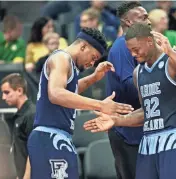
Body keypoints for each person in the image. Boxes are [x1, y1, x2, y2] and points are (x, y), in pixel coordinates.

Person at [84, 23, 176, 179]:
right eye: (130, 51)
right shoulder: (138, 73)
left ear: (150, 41)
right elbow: (146, 112)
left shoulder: (173, 61)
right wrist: (117, 120)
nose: (134, 54)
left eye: (136, 49)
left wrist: (172, 53)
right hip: (148, 144)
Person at [27, 27, 133, 179]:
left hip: (58, 137)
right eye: (93, 57)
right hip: (49, 137)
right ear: (83, 46)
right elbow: (56, 93)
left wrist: (94, 78)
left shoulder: (68, 64)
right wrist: (100, 105)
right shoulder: (61, 58)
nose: (91, 63)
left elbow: (69, 91)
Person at [105, 2, 150, 179]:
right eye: (143, 17)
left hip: (139, 126)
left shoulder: (141, 48)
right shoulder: (121, 47)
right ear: (129, 22)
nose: (149, 21)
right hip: (126, 131)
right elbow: (130, 85)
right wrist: (158, 84)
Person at [1, 73, 35, 179]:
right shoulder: (21, 115)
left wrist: (26, 176)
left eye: (7, 92)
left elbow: (34, 150)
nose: (3, 97)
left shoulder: (31, 115)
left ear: (19, 91)